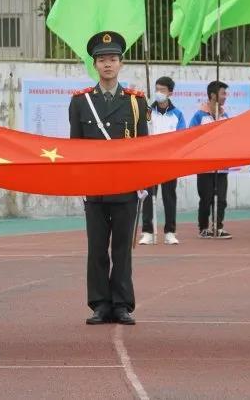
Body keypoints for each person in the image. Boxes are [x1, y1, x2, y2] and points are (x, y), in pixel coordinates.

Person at [69, 31, 148, 326]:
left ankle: (122, 304)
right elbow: (75, 146)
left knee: (122, 249)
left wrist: (143, 181)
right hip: (94, 186)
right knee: (97, 249)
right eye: (102, 60)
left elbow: (144, 145)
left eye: (113, 59)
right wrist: (80, 182)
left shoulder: (136, 102)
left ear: (121, 63)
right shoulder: (81, 102)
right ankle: (100, 304)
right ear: (94, 65)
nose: (107, 64)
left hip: (126, 185)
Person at [139, 76, 185, 246]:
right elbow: (142, 132)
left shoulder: (177, 114)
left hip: (169, 162)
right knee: (148, 196)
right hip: (150, 161)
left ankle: (170, 232)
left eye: (162, 90)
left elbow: (182, 137)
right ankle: (147, 232)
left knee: (169, 196)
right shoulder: (148, 112)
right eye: (157, 89)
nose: (159, 92)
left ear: (170, 92)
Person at [190, 80, 232, 239]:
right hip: (204, 166)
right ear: (213, 95)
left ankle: (218, 227)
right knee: (206, 198)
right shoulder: (199, 116)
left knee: (221, 199)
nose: (225, 96)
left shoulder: (225, 116)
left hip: (222, 166)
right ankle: (203, 227)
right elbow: (191, 136)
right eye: (223, 93)